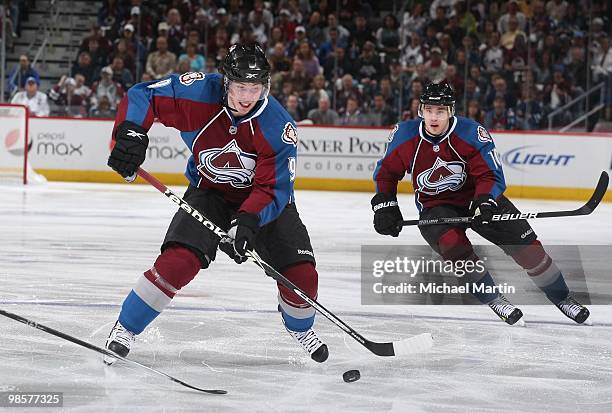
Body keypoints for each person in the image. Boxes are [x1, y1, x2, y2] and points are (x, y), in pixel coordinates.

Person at [104, 43, 328, 364]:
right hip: (209, 193)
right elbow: (144, 96)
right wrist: (130, 134)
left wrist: (248, 220)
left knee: (302, 277)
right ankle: (125, 328)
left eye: (255, 87)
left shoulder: (278, 126)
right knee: (178, 262)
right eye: (240, 86)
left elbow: (272, 188)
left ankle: (300, 328)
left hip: (262, 201)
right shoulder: (197, 94)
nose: (247, 96)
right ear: (225, 81)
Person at [370, 82, 590, 326]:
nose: (434, 117)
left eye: (440, 111)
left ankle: (562, 297)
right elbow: (386, 173)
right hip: (436, 206)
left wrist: (485, 201)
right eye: (429, 110)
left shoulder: (471, 133)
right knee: (456, 250)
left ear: (450, 111)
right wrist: (385, 206)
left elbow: (490, 175)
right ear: (421, 110)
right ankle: (494, 298)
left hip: (479, 198)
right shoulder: (404, 135)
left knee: (529, 249)